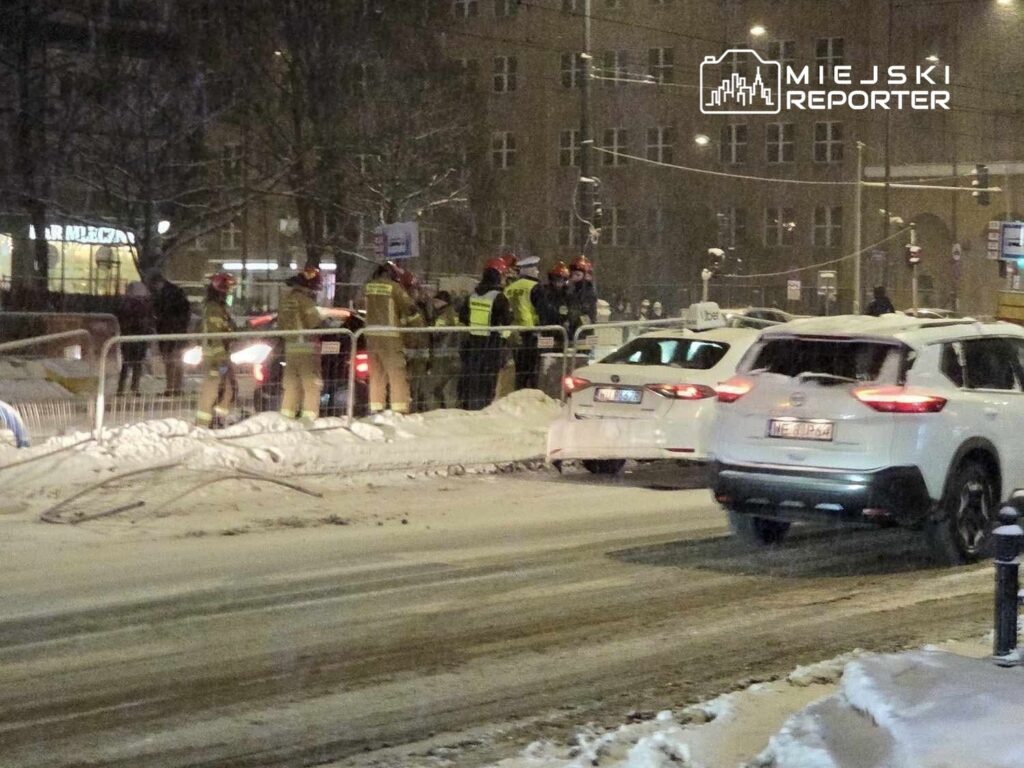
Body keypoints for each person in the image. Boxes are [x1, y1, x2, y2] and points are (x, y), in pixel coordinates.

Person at [364, 262, 421, 414]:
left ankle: (376, 408)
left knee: (377, 374)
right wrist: (418, 326)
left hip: (371, 336)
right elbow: (409, 308)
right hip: (390, 337)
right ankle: (399, 409)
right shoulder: (394, 287)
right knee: (397, 374)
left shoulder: (367, 287)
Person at [459, 258, 513, 409]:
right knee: (488, 382)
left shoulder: (473, 296)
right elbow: (506, 321)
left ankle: (469, 407)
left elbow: (463, 317)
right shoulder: (499, 297)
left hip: (472, 344)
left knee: (472, 380)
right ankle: (484, 408)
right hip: (491, 346)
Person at [278, 266, 324, 425]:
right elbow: (315, 322)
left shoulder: (285, 300)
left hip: (290, 348)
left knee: (291, 386)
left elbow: (281, 324)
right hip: (306, 348)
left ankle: (286, 420)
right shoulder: (305, 300)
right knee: (312, 385)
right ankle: (309, 421)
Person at [196, 272, 238, 428]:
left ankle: (218, 420)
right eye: (227, 288)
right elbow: (215, 334)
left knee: (228, 390)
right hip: (215, 357)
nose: (228, 292)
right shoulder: (214, 308)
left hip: (220, 356)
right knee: (212, 390)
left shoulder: (219, 308)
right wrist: (221, 358)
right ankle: (203, 424)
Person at [146, 269, 191, 396]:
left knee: (170, 361)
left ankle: (171, 388)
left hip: (169, 331)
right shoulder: (176, 291)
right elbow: (186, 311)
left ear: (155, 283)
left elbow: (161, 313)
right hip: (179, 330)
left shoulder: (164, 295)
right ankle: (177, 388)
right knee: (177, 361)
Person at [504, 254, 546, 390]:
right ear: (530, 270)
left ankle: (518, 391)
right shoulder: (535, 287)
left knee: (519, 370)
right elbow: (543, 310)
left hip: (513, 333)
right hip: (531, 333)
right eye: (535, 269)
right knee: (532, 370)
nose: (537, 272)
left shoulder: (510, 288)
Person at [116, 281, 154, 396]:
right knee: (136, 364)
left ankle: (122, 389)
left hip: (128, 337)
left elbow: (122, 319)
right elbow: (146, 321)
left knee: (127, 364)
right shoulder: (144, 305)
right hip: (139, 337)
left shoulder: (125, 304)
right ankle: (134, 388)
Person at [428, 290, 462, 410]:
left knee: (438, 385)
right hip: (455, 353)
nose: (434, 304)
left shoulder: (442, 316)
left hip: (442, 354)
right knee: (450, 386)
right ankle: (450, 408)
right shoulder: (454, 313)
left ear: (443, 302)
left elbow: (436, 334)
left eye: (436, 301)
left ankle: (439, 410)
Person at [566, 254, 597, 343]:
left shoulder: (587, 292)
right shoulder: (574, 291)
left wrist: (572, 320)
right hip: (576, 332)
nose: (574, 277)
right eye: (572, 274)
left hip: (582, 333)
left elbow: (586, 313)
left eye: (577, 274)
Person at [540, 261, 571, 350]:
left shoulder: (567, 295)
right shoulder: (545, 293)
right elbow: (543, 310)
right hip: (547, 330)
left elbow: (571, 310)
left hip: (563, 332)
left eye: (561, 280)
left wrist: (568, 320)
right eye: (556, 279)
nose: (558, 283)